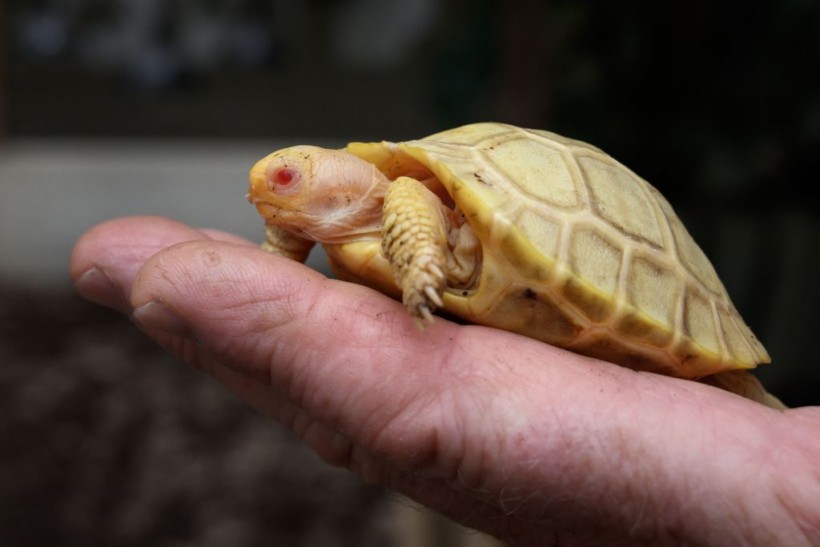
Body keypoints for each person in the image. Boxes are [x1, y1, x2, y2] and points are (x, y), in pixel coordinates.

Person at [70, 216, 820, 546]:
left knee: (730, 390)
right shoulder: (339, 220)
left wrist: (418, 256)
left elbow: (405, 206)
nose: (273, 196)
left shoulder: (403, 199)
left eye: (292, 176)